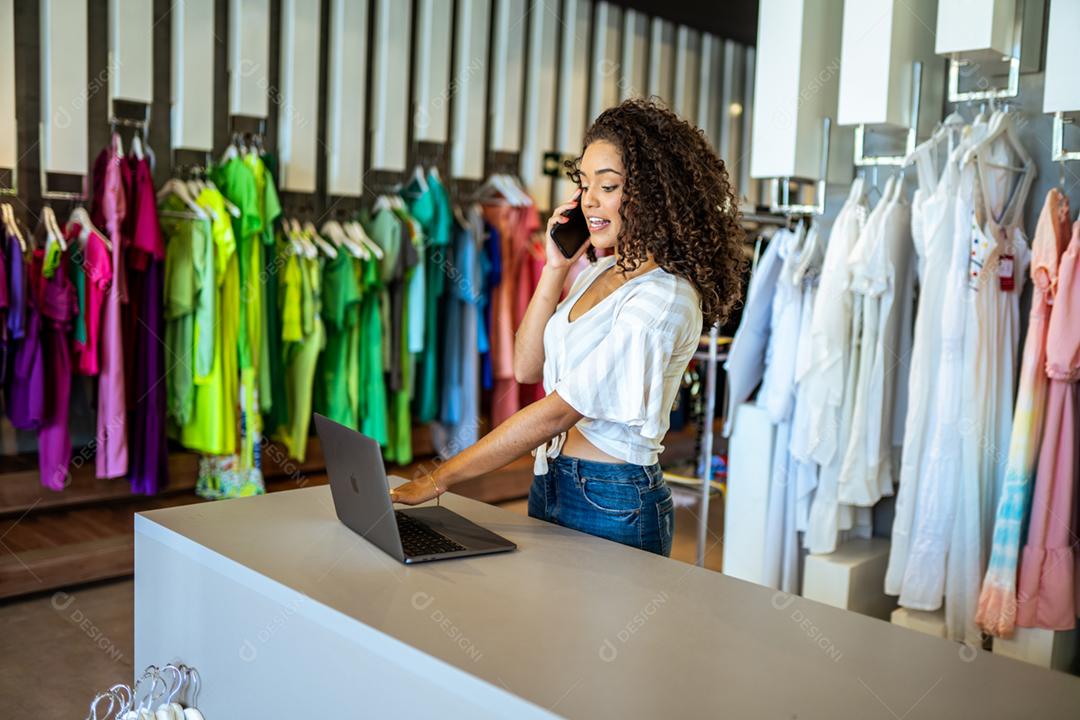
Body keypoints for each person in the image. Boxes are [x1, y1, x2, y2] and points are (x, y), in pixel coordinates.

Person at [390, 98, 746, 556]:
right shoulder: (599, 271)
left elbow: (559, 410)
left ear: (656, 194)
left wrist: (441, 477)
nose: (589, 201)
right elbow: (524, 367)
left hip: (615, 499)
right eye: (584, 185)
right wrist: (555, 268)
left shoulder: (664, 298)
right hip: (554, 479)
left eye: (609, 186)